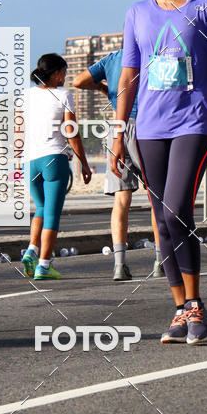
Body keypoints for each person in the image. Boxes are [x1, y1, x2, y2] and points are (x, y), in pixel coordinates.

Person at [111, 0, 207, 344]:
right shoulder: (136, 13)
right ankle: (181, 308)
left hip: (195, 122)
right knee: (162, 219)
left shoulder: (206, 8)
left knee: (178, 210)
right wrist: (118, 132)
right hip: (149, 128)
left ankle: (196, 304)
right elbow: (129, 75)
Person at [73, 49, 164, 281]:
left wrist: (103, 88)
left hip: (117, 130)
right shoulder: (151, 55)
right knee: (156, 199)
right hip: (147, 128)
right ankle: (160, 262)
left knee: (121, 201)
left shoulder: (111, 59)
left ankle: (119, 265)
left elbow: (78, 81)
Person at [21, 54, 91, 280]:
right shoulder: (63, 95)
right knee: (52, 215)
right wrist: (84, 163)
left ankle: (31, 251)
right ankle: (44, 266)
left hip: (29, 162)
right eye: (64, 72)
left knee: (41, 208)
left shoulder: (25, 96)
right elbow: (72, 133)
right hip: (53, 159)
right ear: (56, 73)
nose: (65, 77)